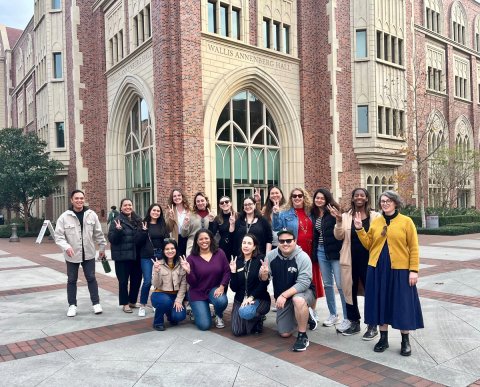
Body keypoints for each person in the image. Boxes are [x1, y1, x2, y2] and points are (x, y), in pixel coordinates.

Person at [354, 190, 424, 356]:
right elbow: (369, 244)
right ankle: (383, 339)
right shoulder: (377, 222)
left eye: (388, 201)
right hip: (377, 269)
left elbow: (414, 247)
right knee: (380, 302)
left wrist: (413, 270)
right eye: (382, 201)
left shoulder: (406, 222)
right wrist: (359, 230)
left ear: (395, 203)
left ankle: (405, 340)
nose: (385, 203)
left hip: (400, 270)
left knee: (402, 304)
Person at [330, 188, 380, 339]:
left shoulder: (375, 216)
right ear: (352, 198)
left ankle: (372, 325)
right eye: (356, 195)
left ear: (366, 198)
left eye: (362, 195)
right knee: (349, 291)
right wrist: (338, 221)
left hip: (370, 260)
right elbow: (338, 236)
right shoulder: (345, 216)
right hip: (349, 260)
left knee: (371, 292)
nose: (359, 197)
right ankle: (354, 322)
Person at [272, 187, 323, 325]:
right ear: (291, 198)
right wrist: (276, 214)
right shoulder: (285, 213)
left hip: (311, 249)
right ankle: (296, 306)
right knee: (296, 279)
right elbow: (277, 228)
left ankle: (312, 310)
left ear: (304, 197)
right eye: (294, 196)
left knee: (313, 280)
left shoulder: (311, 213)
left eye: (300, 195)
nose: (297, 198)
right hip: (295, 250)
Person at [260, 229, 316, 352]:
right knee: (284, 333)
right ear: (278, 242)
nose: (285, 243)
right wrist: (263, 274)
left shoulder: (303, 257)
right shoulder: (271, 256)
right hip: (284, 298)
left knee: (298, 300)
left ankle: (302, 336)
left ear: (295, 241)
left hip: (303, 293)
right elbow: (265, 279)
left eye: (289, 240)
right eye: (282, 241)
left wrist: (284, 295)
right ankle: (305, 316)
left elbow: (303, 283)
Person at [54, 190, 106, 317]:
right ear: (71, 200)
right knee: (72, 280)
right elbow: (58, 236)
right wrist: (66, 247)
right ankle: (72, 305)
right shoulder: (64, 217)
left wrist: (102, 248)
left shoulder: (91, 215)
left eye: (81, 198)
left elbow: (98, 233)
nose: (79, 200)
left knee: (91, 278)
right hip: (72, 255)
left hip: (88, 254)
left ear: (84, 199)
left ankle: (96, 303)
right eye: (76, 198)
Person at [311, 188, 349, 332]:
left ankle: (347, 317)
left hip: (335, 252)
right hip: (321, 251)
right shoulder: (314, 214)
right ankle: (333, 314)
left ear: (327, 199)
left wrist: (338, 218)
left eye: (322, 198)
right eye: (317, 198)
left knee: (340, 285)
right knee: (327, 284)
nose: (319, 200)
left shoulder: (334, 212)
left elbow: (341, 230)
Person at [180, 229, 230, 331]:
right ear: (197, 242)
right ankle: (197, 311)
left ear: (211, 239)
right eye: (200, 239)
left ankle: (218, 315)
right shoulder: (191, 258)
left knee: (221, 301)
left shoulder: (219, 253)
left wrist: (222, 286)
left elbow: (227, 271)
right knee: (204, 326)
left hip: (214, 289)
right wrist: (189, 272)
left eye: (206, 238)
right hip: (197, 292)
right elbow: (192, 283)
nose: (204, 241)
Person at [229, 234, 271, 336]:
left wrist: (251, 297)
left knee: (246, 313)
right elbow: (234, 288)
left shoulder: (260, 259)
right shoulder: (237, 261)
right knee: (237, 331)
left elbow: (264, 284)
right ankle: (251, 318)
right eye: (244, 243)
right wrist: (233, 272)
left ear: (254, 246)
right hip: (240, 299)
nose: (246, 246)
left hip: (259, 299)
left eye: (249, 243)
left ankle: (257, 318)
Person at [108, 198, 143, 313]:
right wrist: (118, 231)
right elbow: (112, 239)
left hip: (136, 256)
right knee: (123, 281)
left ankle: (132, 301)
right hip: (122, 257)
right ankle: (124, 303)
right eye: (125, 205)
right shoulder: (117, 221)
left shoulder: (138, 220)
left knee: (136, 279)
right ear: (121, 207)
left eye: (130, 205)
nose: (128, 207)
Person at [135, 203, 170, 317]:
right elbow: (138, 242)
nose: (156, 212)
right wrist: (144, 232)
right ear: (150, 211)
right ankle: (143, 305)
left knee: (158, 281)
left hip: (159, 256)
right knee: (147, 281)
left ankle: (155, 304)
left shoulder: (162, 225)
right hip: (146, 256)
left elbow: (166, 241)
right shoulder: (143, 224)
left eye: (158, 211)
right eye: (154, 210)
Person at [150, 238, 187, 331]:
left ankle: (170, 314)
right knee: (165, 302)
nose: (170, 251)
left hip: (175, 295)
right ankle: (158, 322)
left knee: (178, 317)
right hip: (160, 294)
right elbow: (156, 284)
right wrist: (157, 271)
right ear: (163, 250)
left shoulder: (182, 263)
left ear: (176, 249)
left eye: (172, 248)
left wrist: (179, 300)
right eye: (167, 249)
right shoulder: (158, 263)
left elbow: (183, 285)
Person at [166, 188, 192, 256]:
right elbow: (168, 229)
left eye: (179, 195)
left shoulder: (189, 210)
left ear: (182, 196)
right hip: (176, 239)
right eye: (174, 196)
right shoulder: (170, 211)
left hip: (188, 239)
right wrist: (171, 219)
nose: (177, 197)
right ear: (172, 198)